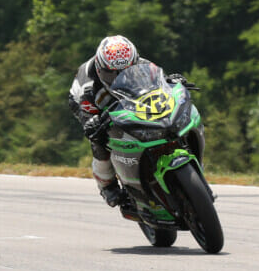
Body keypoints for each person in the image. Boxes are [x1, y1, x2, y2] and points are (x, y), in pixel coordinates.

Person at [68, 35, 193, 212]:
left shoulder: (142, 63)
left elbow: (161, 85)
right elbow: (89, 118)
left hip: (128, 93)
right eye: (111, 73)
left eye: (126, 70)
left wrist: (172, 82)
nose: (118, 76)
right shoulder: (88, 87)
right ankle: (107, 187)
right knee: (99, 140)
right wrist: (92, 122)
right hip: (89, 103)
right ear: (101, 69)